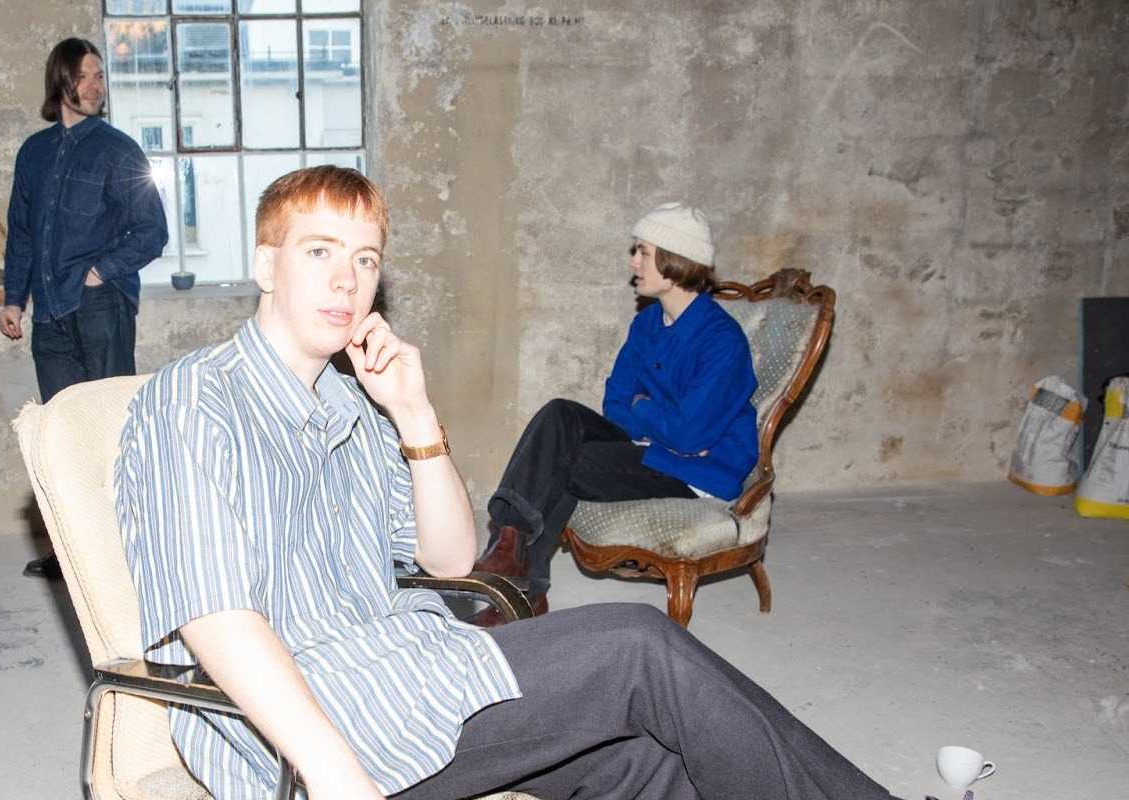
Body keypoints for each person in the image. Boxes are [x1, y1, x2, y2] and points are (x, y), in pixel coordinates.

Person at [115, 167, 900, 799]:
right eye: (319, 252)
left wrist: (415, 416)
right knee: (638, 645)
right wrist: (334, 774)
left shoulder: (352, 404)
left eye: (366, 259)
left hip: (414, 671)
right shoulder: (195, 399)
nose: (347, 281)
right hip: (321, 724)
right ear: (266, 265)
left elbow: (452, 558)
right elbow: (216, 619)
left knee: (648, 763)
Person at [473, 202, 758, 622]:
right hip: (655, 449)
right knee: (560, 415)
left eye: (643, 252)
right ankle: (509, 541)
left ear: (675, 259)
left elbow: (689, 437)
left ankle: (522, 590)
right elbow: (615, 403)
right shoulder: (647, 324)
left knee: (564, 462)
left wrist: (645, 410)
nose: (633, 262)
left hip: (697, 472)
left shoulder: (722, 341)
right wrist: (658, 422)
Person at [0, 37, 169, 580]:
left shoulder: (118, 149)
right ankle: (72, 551)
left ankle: (125, 550)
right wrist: (13, 298)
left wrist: (100, 271)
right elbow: (22, 233)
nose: (96, 86)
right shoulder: (34, 152)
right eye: (85, 76)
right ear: (61, 81)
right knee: (63, 432)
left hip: (100, 305)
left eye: (100, 77)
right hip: (49, 312)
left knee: (112, 429)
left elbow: (152, 229)